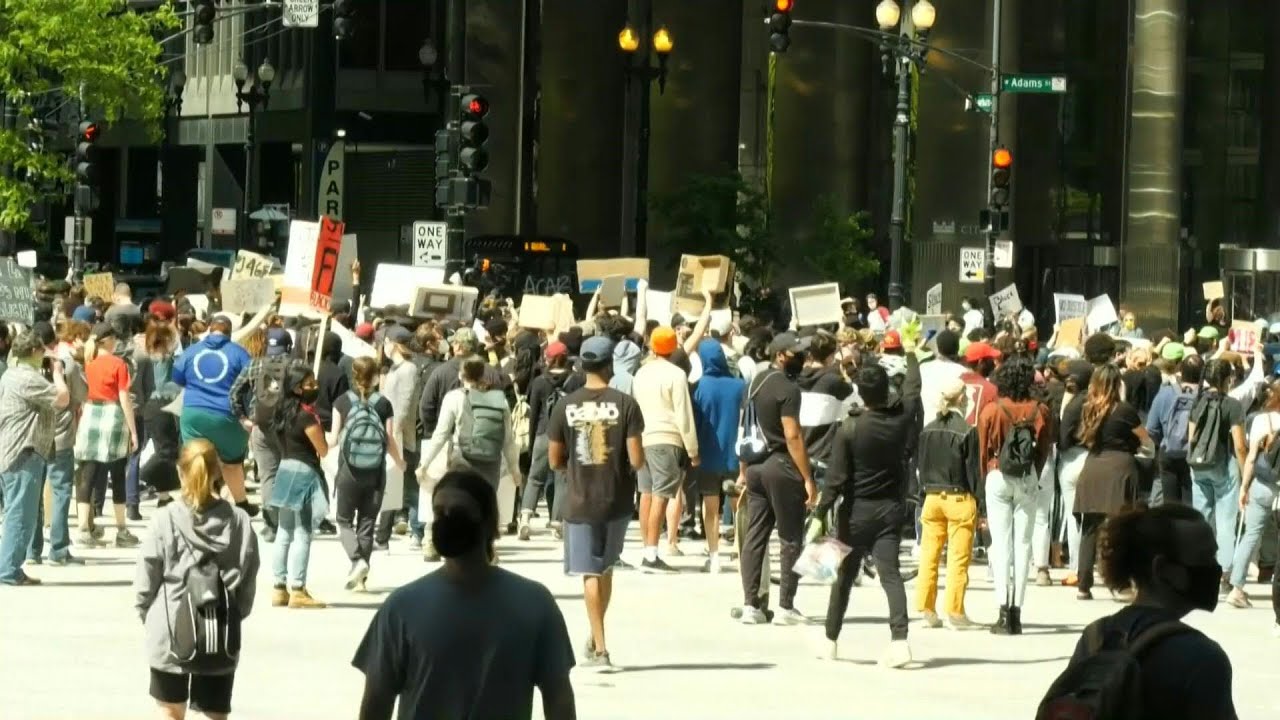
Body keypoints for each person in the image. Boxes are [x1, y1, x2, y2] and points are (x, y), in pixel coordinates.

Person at [352, 470, 577, 720]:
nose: (447, 520)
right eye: (439, 512)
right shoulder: (401, 609)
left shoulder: (534, 605)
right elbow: (376, 701)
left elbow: (559, 699)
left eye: (459, 512)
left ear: (488, 522)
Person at [1046, 504, 1237, 720]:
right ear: (1162, 568)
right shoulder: (1202, 657)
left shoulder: (1096, 636)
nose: (1215, 568)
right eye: (1206, 557)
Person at [133, 439, 259, 720]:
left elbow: (146, 580)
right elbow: (247, 581)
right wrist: (233, 615)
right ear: (217, 472)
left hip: (170, 627)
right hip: (219, 630)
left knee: (169, 711)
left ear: (180, 472)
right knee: (215, 713)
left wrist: (148, 615)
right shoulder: (239, 521)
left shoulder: (165, 519)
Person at [816, 354, 921, 666]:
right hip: (890, 511)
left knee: (843, 579)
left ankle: (830, 640)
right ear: (887, 389)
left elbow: (835, 480)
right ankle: (900, 641)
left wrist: (819, 513)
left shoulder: (850, 428)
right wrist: (912, 354)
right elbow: (913, 389)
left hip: (854, 514)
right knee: (891, 575)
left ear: (860, 394)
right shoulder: (902, 420)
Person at [547, 336, 645, 670]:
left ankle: (600, 647)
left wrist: (575, 468)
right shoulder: (626, 404)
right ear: (609, 365)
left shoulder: (565, 405)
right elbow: (637, 459)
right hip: (617, 499)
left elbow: (554, 460)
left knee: (589, 571)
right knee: (605, 569)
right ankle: (596, 635)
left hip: (579, 500)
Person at [737, 332, 817, 625]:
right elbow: (792, 435)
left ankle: (751, 605)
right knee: (790, 538)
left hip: (755, 466)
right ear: (780, 355)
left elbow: (745, 428)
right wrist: (808, 477)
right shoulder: (788, 388)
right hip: (781, 465)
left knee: (755, 536)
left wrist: (743, 470)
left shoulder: (755, 383)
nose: (802, 358)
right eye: (796, 354)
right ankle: (786, 606)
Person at [976, 356, 1051, 635]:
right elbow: (1044, 449)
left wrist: (985, 479)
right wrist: (1033, 474)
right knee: (1023, 544)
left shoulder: (991, 410)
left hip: (998, 473)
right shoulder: (1041, 410)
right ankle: (1017, 612)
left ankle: (1002, 610)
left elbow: (982, 450)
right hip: (1027, 476)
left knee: (1000, 544)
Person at [0, 330, 71, 586]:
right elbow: (62, 398)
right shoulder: (28, 378)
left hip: (12, 451)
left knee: (17, 511)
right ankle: (8, 570)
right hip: (24, 452)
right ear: (33, 352)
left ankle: (10, 567)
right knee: (21, 514)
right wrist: (58, 374)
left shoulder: (10, 374)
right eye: (42, 351)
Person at [1074, 364, 1147, 601]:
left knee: (1089, 529)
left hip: (1092, 467)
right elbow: (1146, 439)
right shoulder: (1124, 410)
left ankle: (1083, 583)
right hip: (1120, 468)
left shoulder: (1087, 408)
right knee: (1121, 530)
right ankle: (1120, 583)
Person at [915, 377, 982, 630]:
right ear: (962, 398)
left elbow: (921, 466)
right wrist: (980, 502)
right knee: (958, 558)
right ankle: (955, 611)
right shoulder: (967, 430)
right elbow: (973, 472)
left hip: (932, 496)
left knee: (929, 556)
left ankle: (926, 608)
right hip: (959, 497)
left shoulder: (928, 429)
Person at [330, 356, 402, 592]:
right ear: (376, 377)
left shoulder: (342, 401)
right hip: (375, 472)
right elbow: (389, 439)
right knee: (367, 523)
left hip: (348, 470)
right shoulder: (384, 404)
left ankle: (356, 560)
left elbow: (334, 439)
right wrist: (400, 462)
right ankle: (361, 578)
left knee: (343, 520)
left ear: (353, 374)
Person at [632, 326, 700, 571]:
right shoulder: (676, 374)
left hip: (643, 437)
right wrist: (692, 449)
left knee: (646, 493)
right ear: (673, 348)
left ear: (652, 346)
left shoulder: (640, 373)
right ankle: (651, 555)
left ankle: (647, 548)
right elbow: (683, 413)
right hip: (667, 437)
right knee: (661, 495)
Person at [174, 315, 256, 516]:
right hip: (226, 415)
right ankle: (241, 503)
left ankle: (191, 498)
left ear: (209, 330)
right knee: (232, 464)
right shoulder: (239, 353)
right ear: (229, 333)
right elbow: (251, 381)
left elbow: (177, 377)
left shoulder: (192, 351)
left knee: (194, 457)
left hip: (194, 413)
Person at [264, 365, 329, 609]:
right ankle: (298, 588)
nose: (315, 387)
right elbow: (323, 449)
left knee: (284, 532)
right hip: (304, 472)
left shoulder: (281, 413)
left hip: (285, 468)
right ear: (297, 388)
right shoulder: (306, 417)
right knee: (303, 533)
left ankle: (279, 587)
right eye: (310, 384)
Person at [74, 323, 141, 548]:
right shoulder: (119, 364)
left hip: (91, 413)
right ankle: (121, 530)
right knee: (118, 474)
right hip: (113, 415)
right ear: (109, 341)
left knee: (88, 474)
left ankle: (83, 528)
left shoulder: (89, 362)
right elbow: (124, 398)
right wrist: (133, 431)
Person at [28, 321, 88, 566]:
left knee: (34, 493)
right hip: (61, 435)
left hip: (33, 436)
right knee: (61, 491)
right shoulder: (67, 363)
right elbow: (83, 394)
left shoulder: (26, 365)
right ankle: (59, 549)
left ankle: (32, 550)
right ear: (54, 339)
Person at [419, 355, 520, 490]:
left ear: (461, 376)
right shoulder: (500, 400)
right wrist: (514, 469)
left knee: (462, 501)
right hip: (491, 466)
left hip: (462, 463)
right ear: (483, 374)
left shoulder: (454, 398)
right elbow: (508, 440)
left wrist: (424, 464)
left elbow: (440, 435)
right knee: (485, 502)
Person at [690, 338, 747, 572]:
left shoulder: (698, 387)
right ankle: (742, 553)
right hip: (735, 455)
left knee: (710, 507)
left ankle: (714, 558)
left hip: (707, 455)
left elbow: (694, 422)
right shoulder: (740, 386)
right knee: (739, 506)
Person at [1226, 378, 1280, 608]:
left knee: (1250, 535)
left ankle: (1236, 588)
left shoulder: (1262, 420)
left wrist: (1244, 486)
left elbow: (1250, 458)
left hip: (1262, 483)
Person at [520, 341, 580, 539]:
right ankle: (557, 522)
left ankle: (525, 518)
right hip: (566, 435)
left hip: (543, 433)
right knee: (562, 478)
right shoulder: (576, 380)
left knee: (535, 478)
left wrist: (531, 443)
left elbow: (533, 414)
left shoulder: (539, 381)